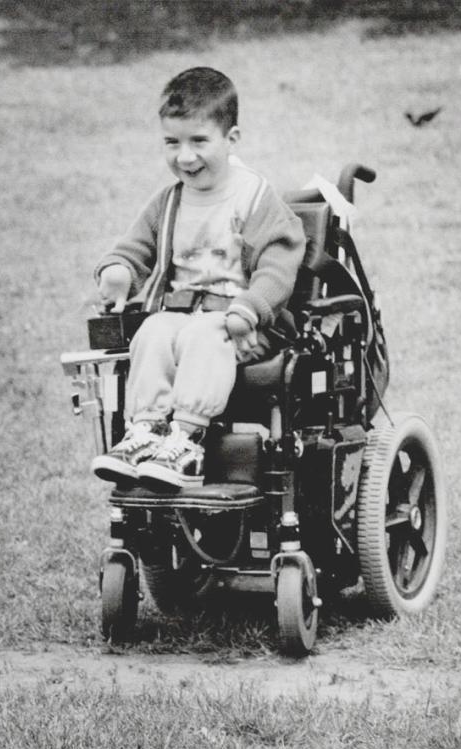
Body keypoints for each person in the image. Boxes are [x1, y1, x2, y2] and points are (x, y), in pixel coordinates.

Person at [89, 67, 306, 489]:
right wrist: (118, 271)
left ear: (232, 139)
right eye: (172, 143)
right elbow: (136, 246)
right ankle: (145, 430)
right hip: (182, 317)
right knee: (151, 332)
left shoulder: (255, 198)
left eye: (198, 141)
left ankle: (186, 440)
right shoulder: (169, 201)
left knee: (205, 336)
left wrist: (250, 309)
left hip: (243, 324)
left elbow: (278, 265)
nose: (184, 157)